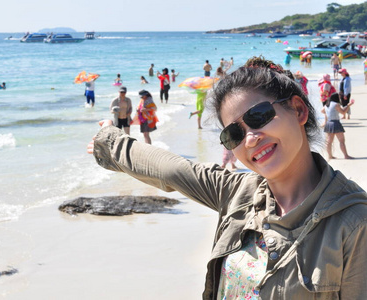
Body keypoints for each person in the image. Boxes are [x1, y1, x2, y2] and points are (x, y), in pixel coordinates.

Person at [88, 56, 367, 299]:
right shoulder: (241, 192)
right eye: (234, 134)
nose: (250, 139)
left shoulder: (354, 224)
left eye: (259, 116)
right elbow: (172, 170)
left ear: (298, 110)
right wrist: (110, 142)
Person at [321, 93, 355, 160]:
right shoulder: (336, 104)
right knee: (341, 141)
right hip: (335, 123)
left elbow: (322, 111)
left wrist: (328, 113)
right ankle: (346, 155)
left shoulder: (327, 104)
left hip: (329, 123)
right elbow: (343, 112)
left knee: (329, 142)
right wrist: (348, 105)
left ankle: (330, 156)